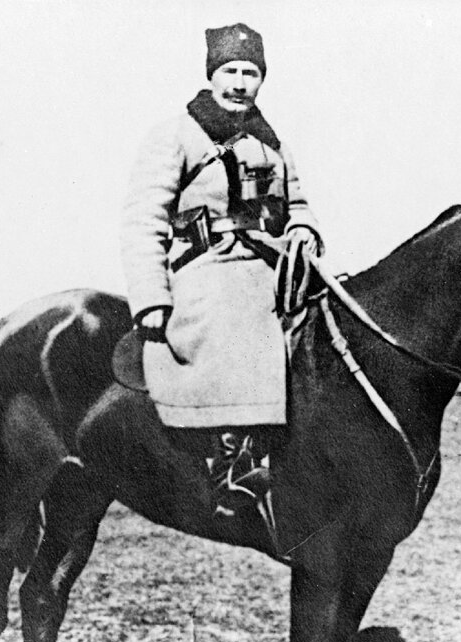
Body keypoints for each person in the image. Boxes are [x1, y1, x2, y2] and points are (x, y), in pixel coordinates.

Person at [121, 23, 323, 519]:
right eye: (230, 70)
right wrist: (151, 298)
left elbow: (298, 205)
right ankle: (232, 464)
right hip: (205, 270)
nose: (239, 82)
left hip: (274, 266)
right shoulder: (176, 135)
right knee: (237, 313)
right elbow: (143, 218)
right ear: (211, 75)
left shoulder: (272, 143)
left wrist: (304, 232)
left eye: (250, 73)